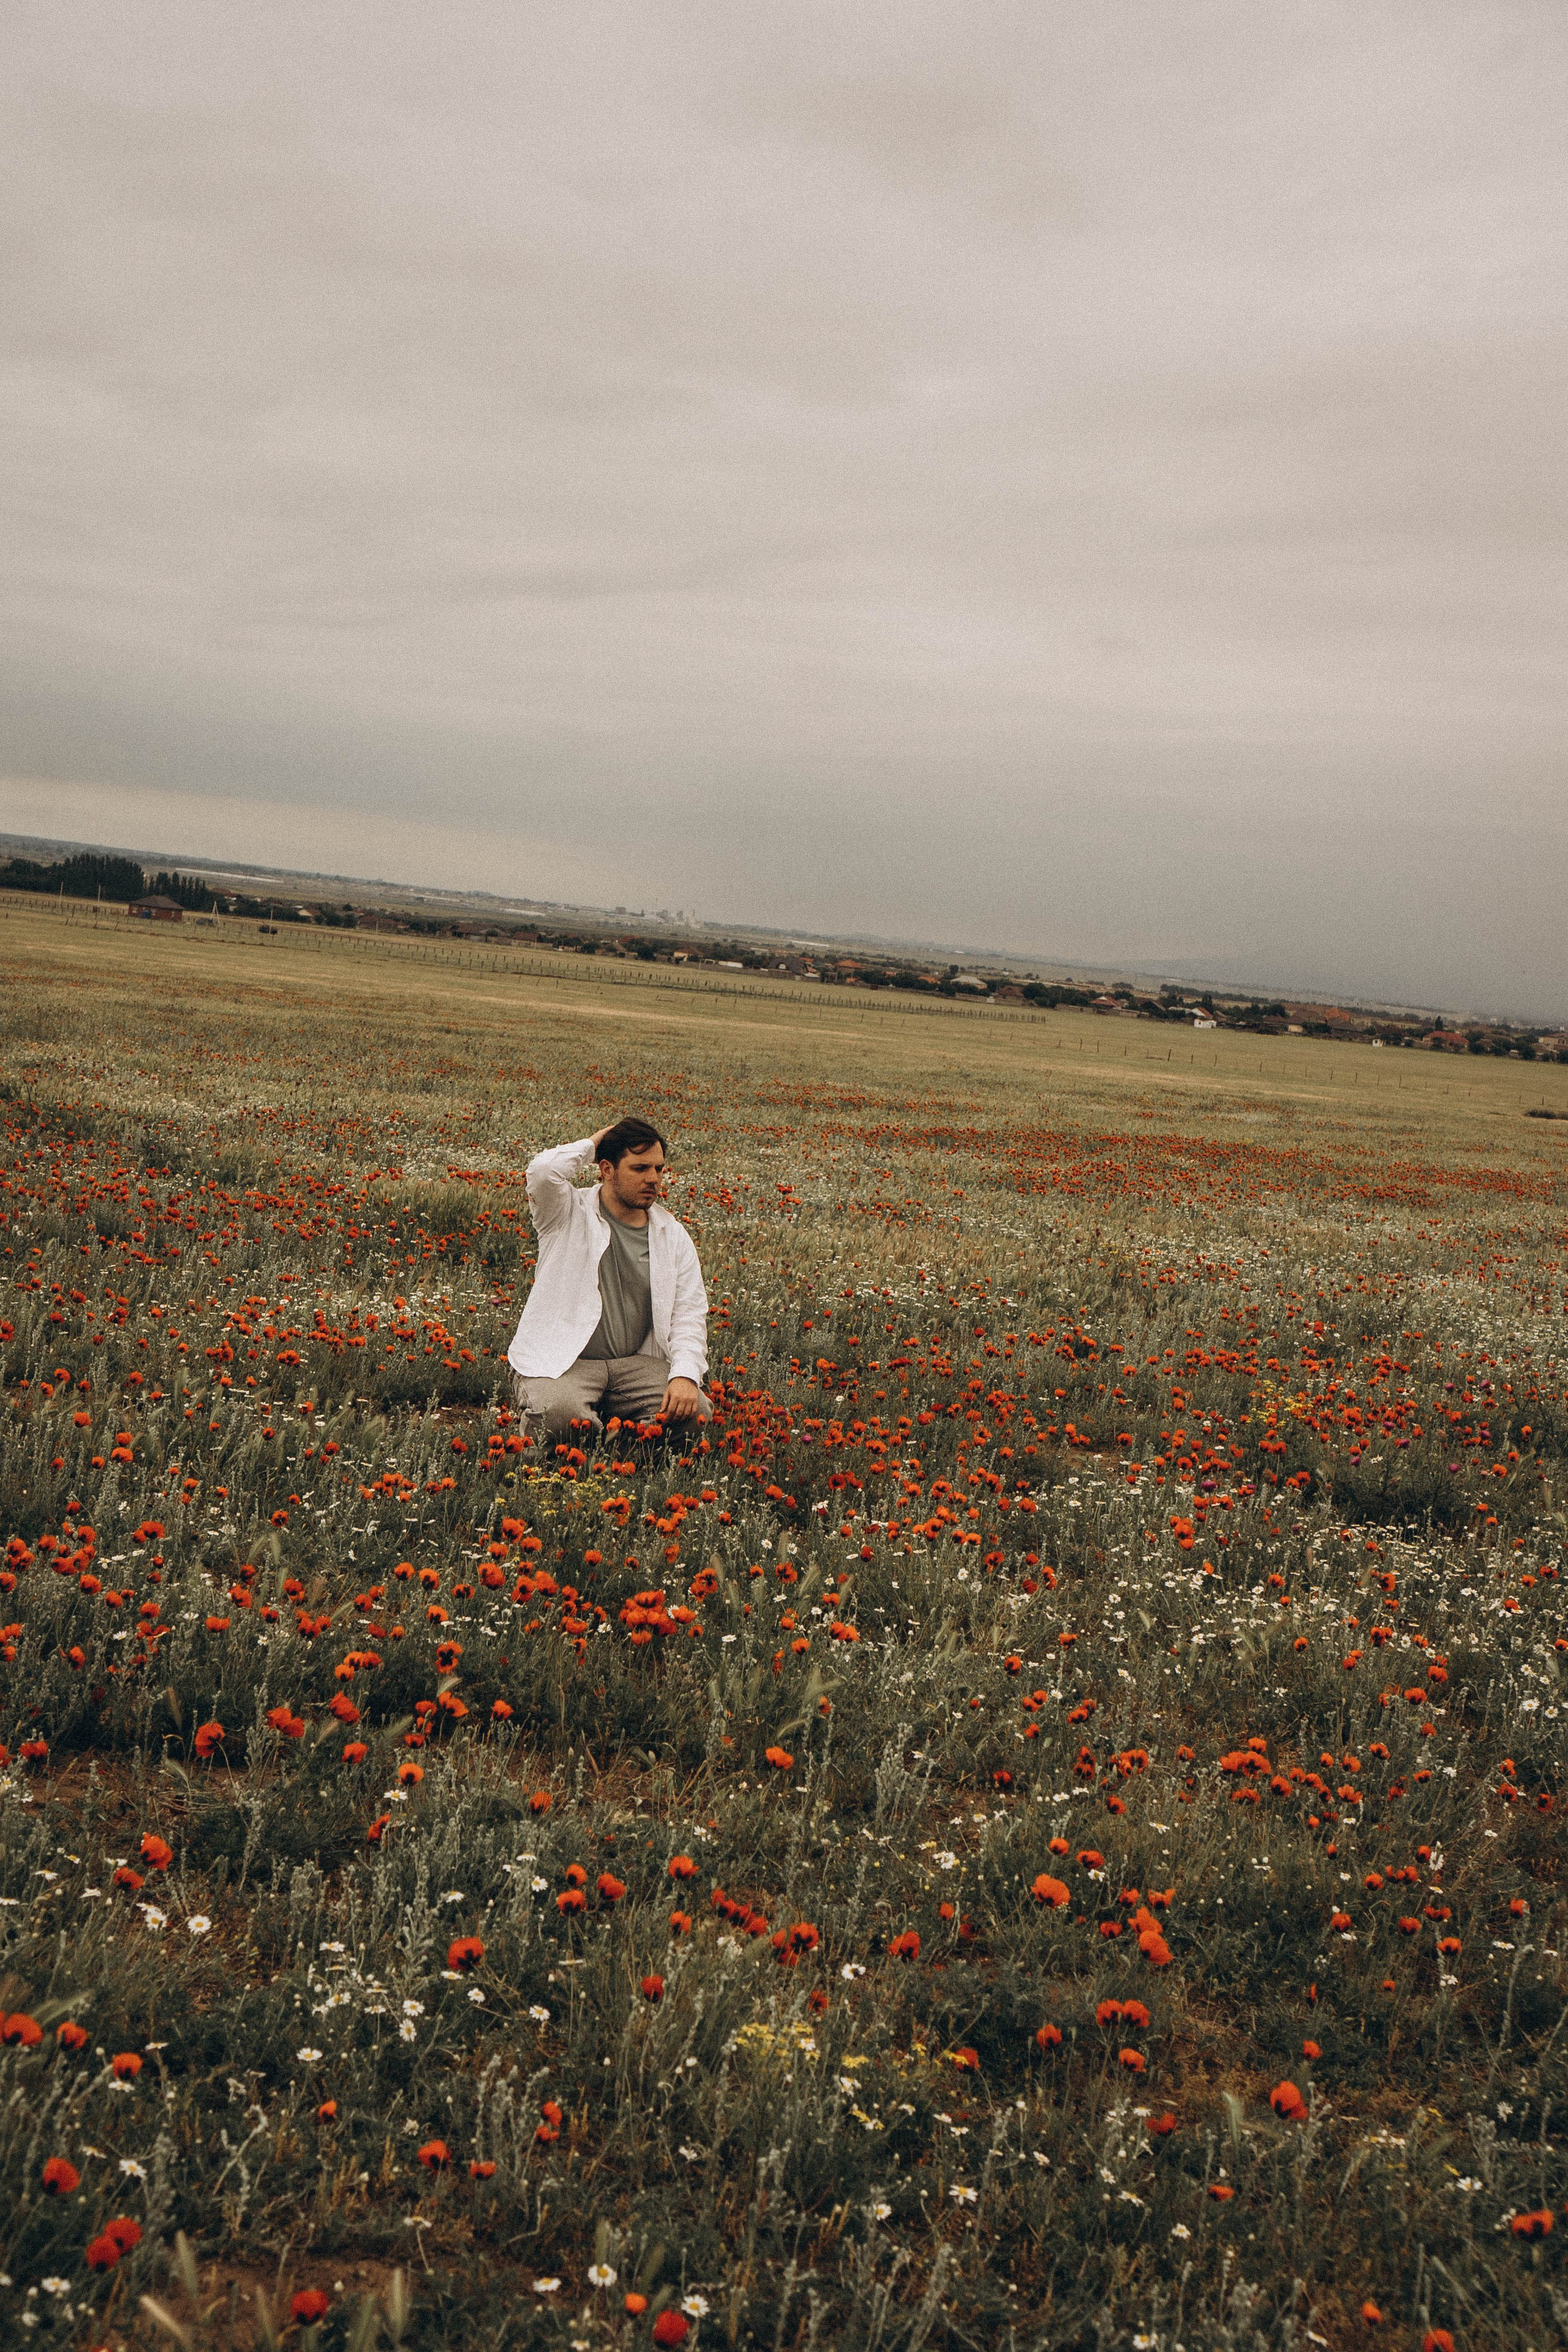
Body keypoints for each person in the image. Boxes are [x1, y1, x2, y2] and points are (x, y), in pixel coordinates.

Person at [505, 1118, 711, 1436]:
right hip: (563, 1362)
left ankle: (620, 1453)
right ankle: (592, 1435)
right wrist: (592, 1144)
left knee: (693, 1411)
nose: (653, 1179)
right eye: (640, 1169)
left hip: (634, 1364)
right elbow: (543, 1171)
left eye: (658, 1169)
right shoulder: (566, 1212)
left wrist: (684, 1376)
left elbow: (689, 1315)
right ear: (606, 1169)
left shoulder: (671, 1235)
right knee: (560, 1417)